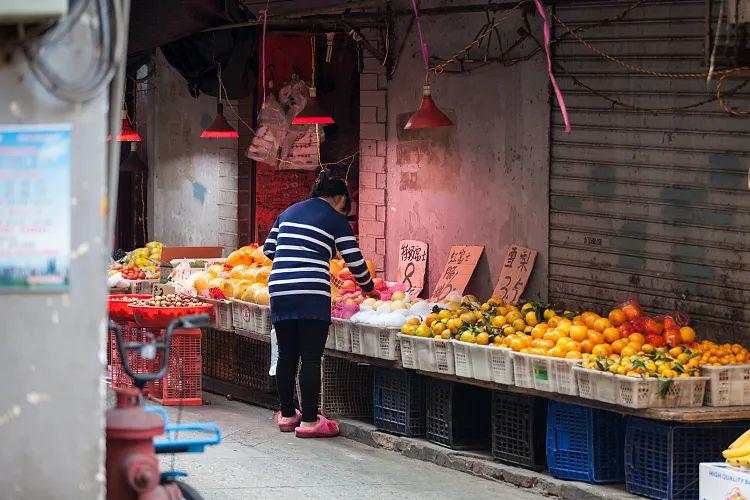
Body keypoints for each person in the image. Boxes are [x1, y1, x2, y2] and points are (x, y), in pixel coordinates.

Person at [263, 170, 377, 438]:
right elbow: (355, 261)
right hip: (311, 292)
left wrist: (292, 260)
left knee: (287, 355)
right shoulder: (335, 219)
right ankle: (311, 420)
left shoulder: (289, 212)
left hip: (279, 290)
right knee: (311, 357)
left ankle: (288, 414)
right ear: (338, 197)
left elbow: (269, 249)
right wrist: (370, 289)